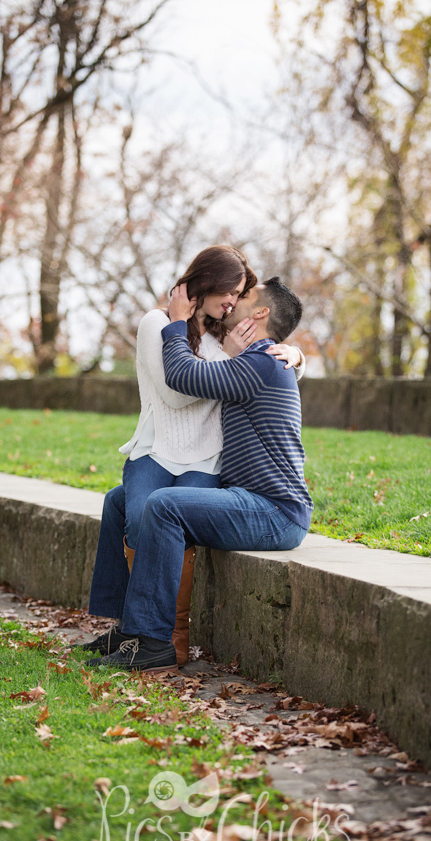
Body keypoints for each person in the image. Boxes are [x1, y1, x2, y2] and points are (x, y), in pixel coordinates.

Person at [79, 246, 304, 665]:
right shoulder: (253, 360)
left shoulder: (258, 363)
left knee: (162, 506)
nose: (234, 302)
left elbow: (183, 376)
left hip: (273, 510)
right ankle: (129, 629)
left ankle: (155, 642)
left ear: (258, 314)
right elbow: (193, 380)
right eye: (232, 292)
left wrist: (293, 352)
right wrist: (289, 352)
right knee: (120, 501)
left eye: (243, 296)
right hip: (245, 497)